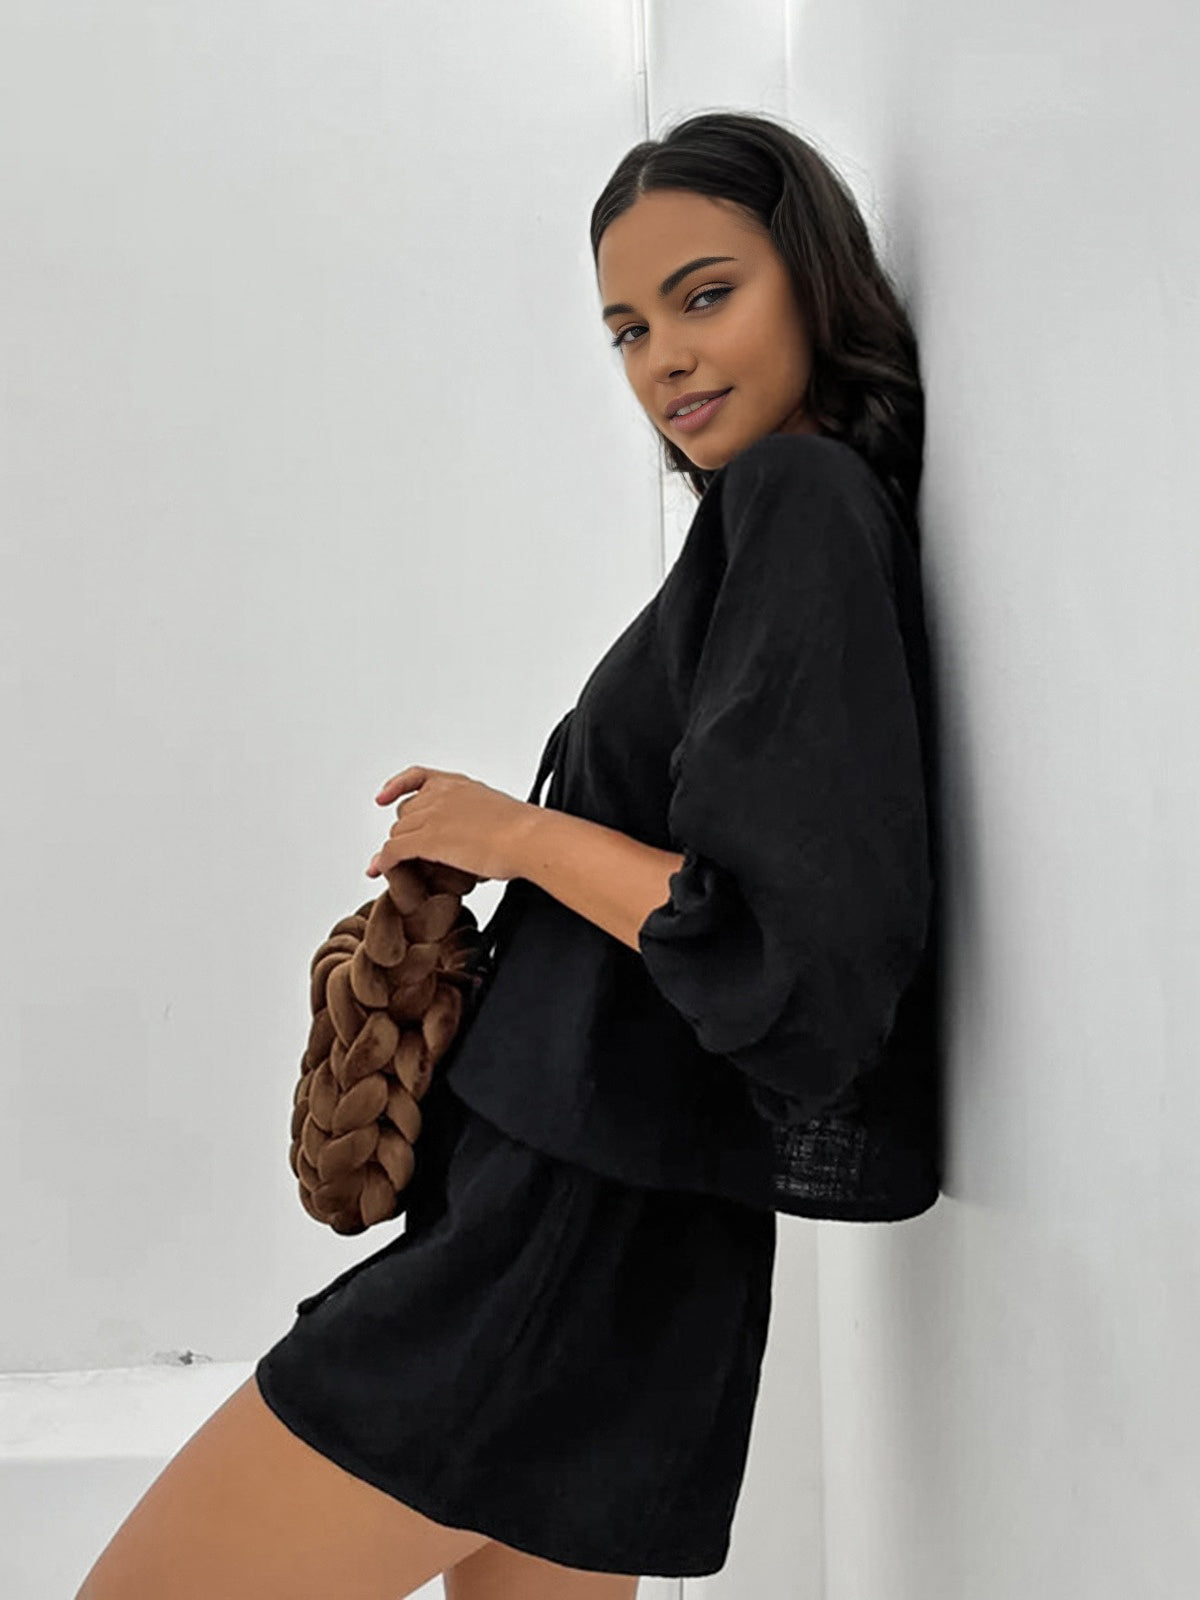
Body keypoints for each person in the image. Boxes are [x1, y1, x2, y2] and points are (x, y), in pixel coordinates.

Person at [75, 108, 937, 1600]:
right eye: (627, 329)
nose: (663, 358)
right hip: (617, 1239)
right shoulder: (775, 528)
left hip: (562, 1234)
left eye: (706, 294)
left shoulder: (799, 505)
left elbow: (780, 944)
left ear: (812, 276)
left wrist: (516, 834)